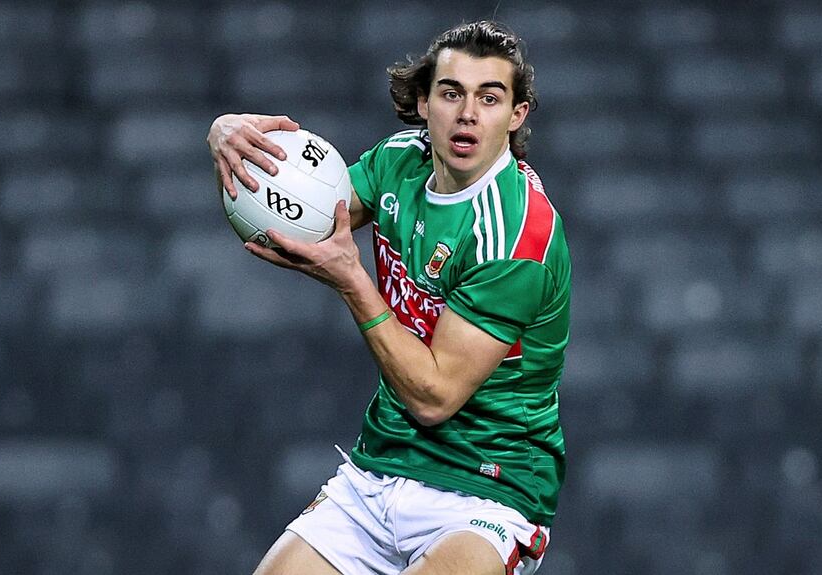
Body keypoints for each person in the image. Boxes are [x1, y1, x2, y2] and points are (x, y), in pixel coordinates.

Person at [207, 20, 570, 575]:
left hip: (486, 490)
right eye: (451, 93)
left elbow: (434, 397)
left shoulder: (516, 235)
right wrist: (233, 146)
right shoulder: (400, 161)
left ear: (516, 116)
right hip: (378, 470)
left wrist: (355, 282)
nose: (468, 113)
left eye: (489, 98)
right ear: (424, 103)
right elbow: (297, 224)